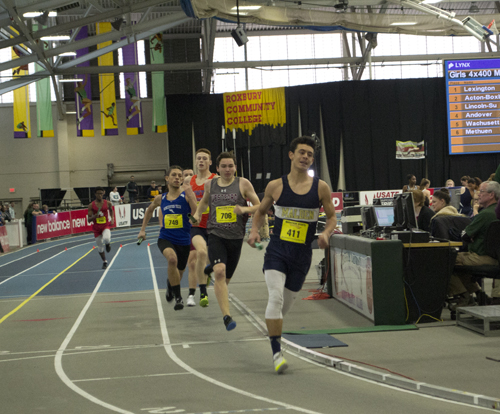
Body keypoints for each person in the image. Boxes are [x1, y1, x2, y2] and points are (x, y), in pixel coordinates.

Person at [247, 136, 337, 374]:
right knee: (275, 298)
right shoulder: (276, 186)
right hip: (277, 252)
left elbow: (331, 217)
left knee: (283, 307)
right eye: (302, 152)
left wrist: (326, 233)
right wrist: (255, 230)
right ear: (291, 155)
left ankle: (272, 329)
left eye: (309, 154)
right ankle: (277, 352)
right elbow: (261, 211)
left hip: (302, 255)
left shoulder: (321, 187)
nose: (305, 157)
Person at [193, 151, 261, 330]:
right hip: (215, 234)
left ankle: (210, 269)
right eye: (223, 166)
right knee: (220, 273)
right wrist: (198, 213)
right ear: (217, 168)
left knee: (225, 278)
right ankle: (227, 317)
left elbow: (260, 206)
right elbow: (205, 201)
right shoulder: (211, 184)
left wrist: (244, 210)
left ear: (235, 167)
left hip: (236, 238)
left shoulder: (243, 183)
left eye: (231, 166)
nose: (227, 169)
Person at [137, 166, 197, 310]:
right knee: (172, 259)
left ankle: (171, 285)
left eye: (179, 176)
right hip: (165, 238)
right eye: (174, 175)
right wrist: (142, 230)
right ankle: (179, 298)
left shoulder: (187, 196)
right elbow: (149, 210)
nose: (177, 178)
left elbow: (195, 217)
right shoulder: (160, 198)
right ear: (167, 179)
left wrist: (192, 200)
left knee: (179, 272)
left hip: (183, 240)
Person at [450, 181, 500, 308]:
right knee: (459, 263)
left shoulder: (485, 215)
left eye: (482, 192)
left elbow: (464, 235)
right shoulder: (494, 213)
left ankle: (463, 296)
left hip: (482, 256)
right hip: (494, 258)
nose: (478, 195)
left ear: (491, 195)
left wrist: (471, 236)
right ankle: (478, 293)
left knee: (446, 260)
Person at [186, 150, 217, 307]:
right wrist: (193, 219)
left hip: (214, 226)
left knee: (215, 262)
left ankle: (206, 273)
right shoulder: (188, 181)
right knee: (201, 253)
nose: (201, 161)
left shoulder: (216, 179)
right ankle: (202, 291)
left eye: (205, 158)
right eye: (199, 158)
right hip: (196, 226)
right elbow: (184, 208)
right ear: (195, 161)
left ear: (210, 162)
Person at [87, 187, 114, 269]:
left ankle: (108, 244)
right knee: (100, 247)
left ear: (103, 194)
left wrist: (112, 218)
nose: (100, 195)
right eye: (98, 193)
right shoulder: (91, 205)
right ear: (95, 194)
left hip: (105, 225)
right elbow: (88, 220)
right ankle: (104, 261)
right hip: (96, 228)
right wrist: (94, 217)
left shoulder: (108, 203)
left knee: (106, 238)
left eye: (101, 193)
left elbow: (111, 210)